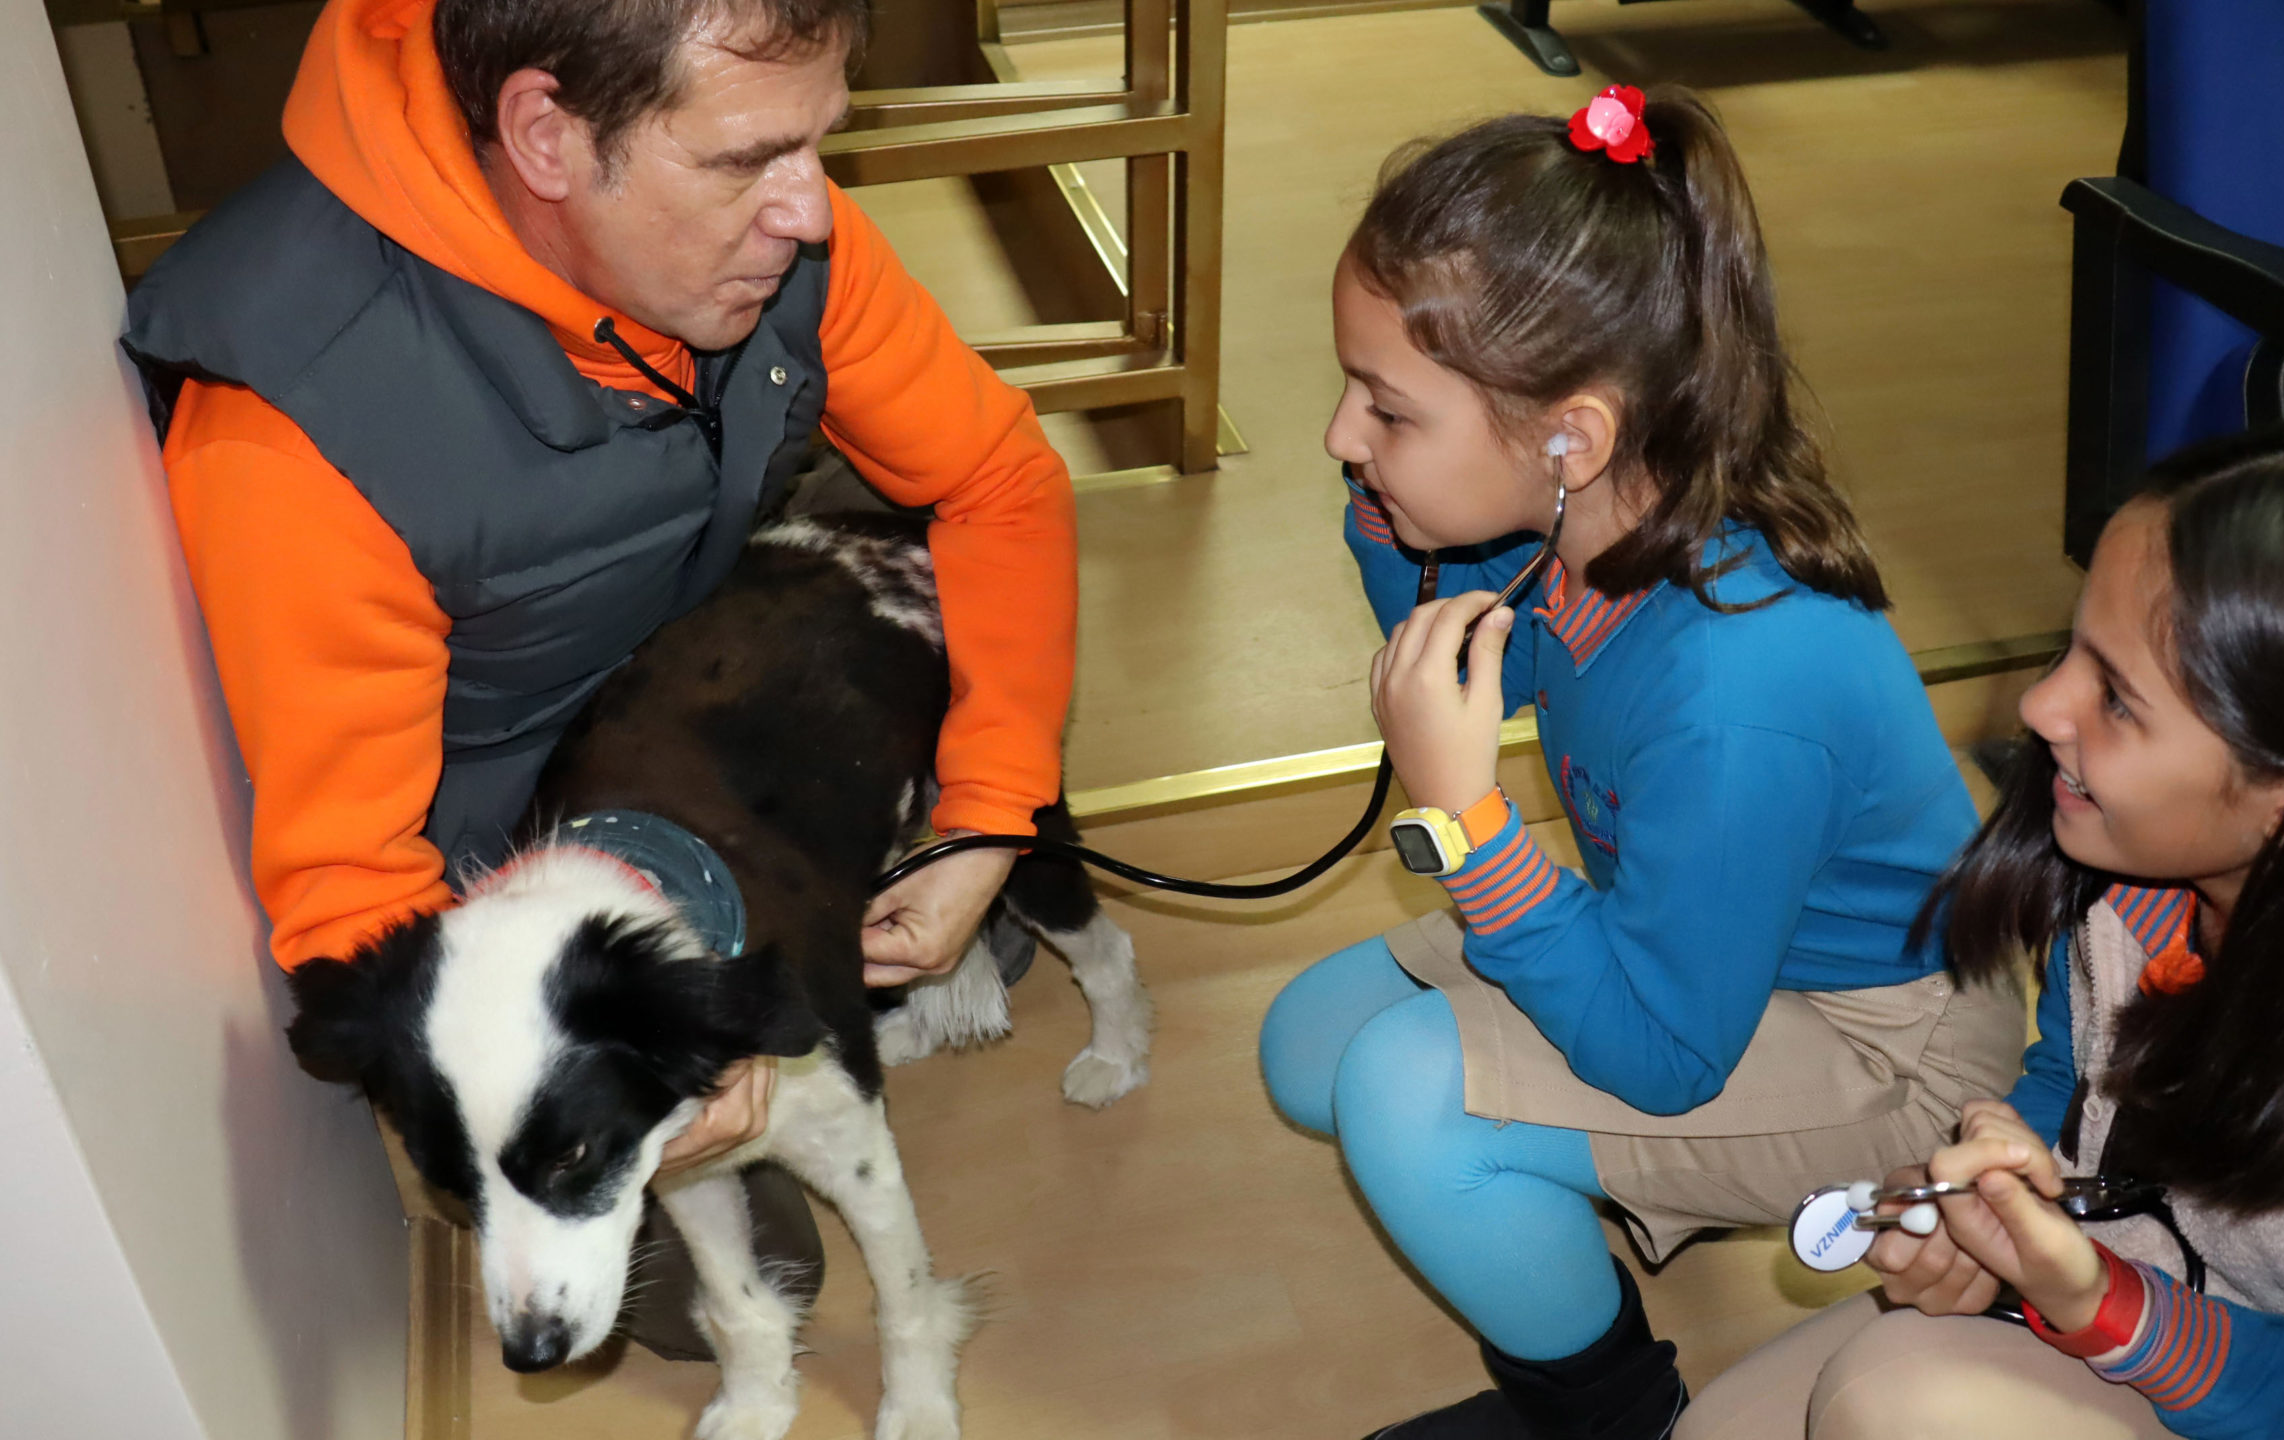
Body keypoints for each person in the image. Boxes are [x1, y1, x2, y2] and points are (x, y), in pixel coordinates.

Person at [120, 0, 1075, 1357]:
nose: (809, 210)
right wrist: (684, 1060)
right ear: (545, 137)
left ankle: (908, 866)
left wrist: (993, 806)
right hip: (503, 816)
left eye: (818, 145)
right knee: (692, 1274)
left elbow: (998, 480)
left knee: (910, 528)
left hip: (683, 639)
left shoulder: (776, 233)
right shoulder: (299, 431)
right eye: (747, 159)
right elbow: (351, 895)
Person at [1257, 85, 2025, 1440]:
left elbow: (1668, 1054)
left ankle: (1609, 1413)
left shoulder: (1738, 688)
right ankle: (1557, 1218)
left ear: (1575, 434)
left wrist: (1470, 825)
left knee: (1398, 1095)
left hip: (1884, 1052)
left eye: (1384, 409)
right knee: (1308, 1050)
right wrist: (1395, 514)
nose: (1338, 438)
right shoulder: (1590, 524)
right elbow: (1460, 638)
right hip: (1690, 952)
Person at [1677, 426, 2284, 1440]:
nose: (2036, 703)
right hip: (2162, 1274)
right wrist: (2006, 1168)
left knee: (1896, 1403)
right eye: (2071, 649)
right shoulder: (2140, 883)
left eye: (2116, 698)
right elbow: (2073, 1075)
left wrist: (2094, 1298)